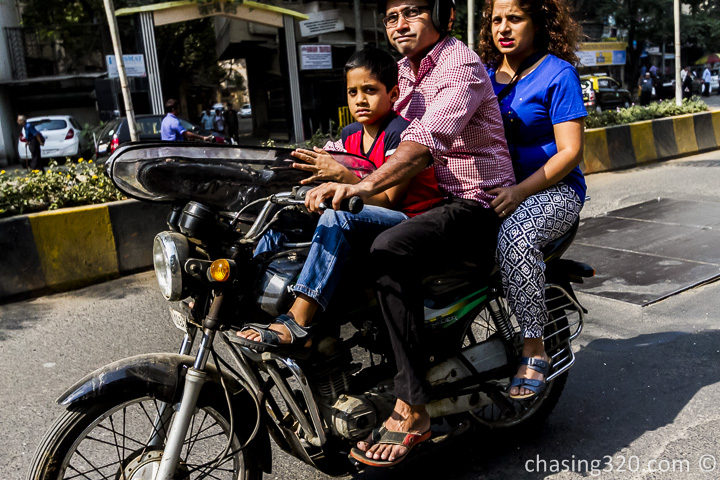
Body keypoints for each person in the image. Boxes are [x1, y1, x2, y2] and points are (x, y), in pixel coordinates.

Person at [306, 0, 515, 467]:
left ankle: (413, 405)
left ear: (443, 15)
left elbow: (421, 145)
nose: (400, 24)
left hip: (474, 201)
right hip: (431, 202)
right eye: (392, 16)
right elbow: (369, 135)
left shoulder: (460, 66)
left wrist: (361, 186)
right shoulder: (403, 71)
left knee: (389, 247)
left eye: (412, 12)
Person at [233, 48, 443, 355]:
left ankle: (299, 319)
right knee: (283, 220)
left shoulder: (401, 133)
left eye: (370, 90)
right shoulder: (350, 135)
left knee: (336, 218)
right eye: (352, 92)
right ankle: (250, 299)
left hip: (408, 222)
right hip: (367, 219)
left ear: (394, 94)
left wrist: (342, 176)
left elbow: (388, 201)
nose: (360, 99)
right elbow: (324, 169)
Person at [479, 0, 586, 399]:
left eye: (515, 18)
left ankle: (534, 349)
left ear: (538, 23)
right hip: (496, 188)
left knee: (516, 237)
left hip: (554, 191)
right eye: (496, 20)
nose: (503, 28)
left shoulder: (558, 74)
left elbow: (570, 152)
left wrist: (521, 191)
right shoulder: (483, 74)